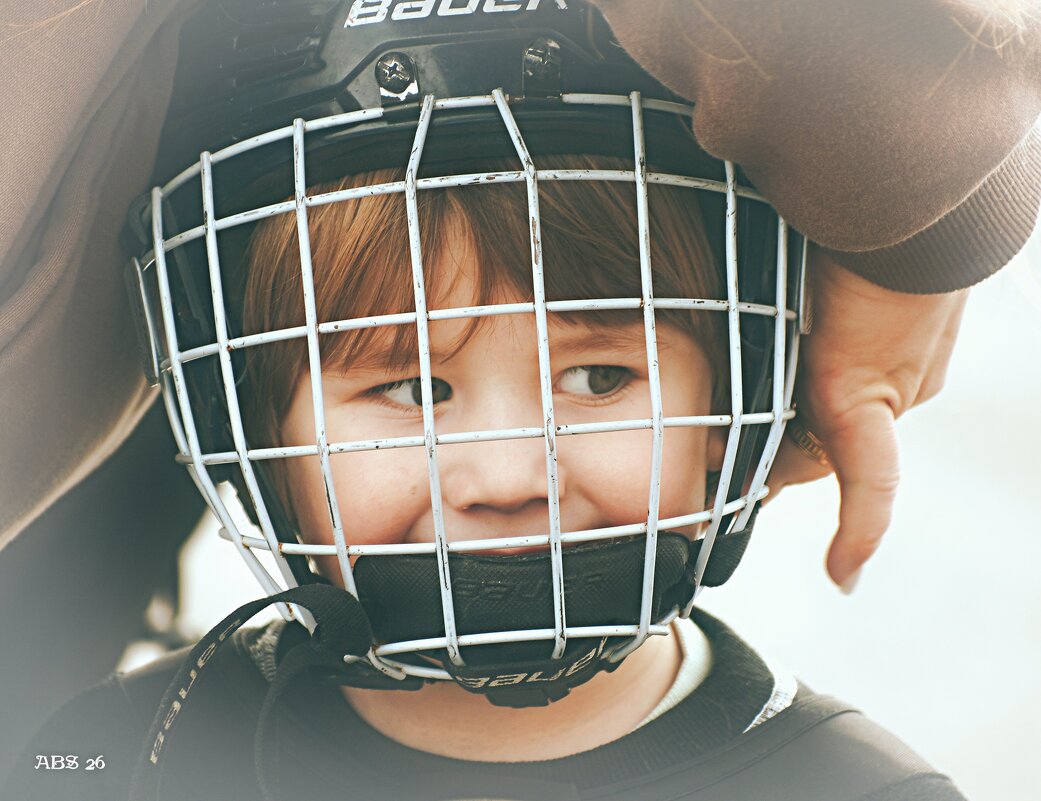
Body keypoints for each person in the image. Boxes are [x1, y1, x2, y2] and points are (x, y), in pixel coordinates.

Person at [4, 1, 1040, 800]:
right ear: (254, 426)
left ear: (742, 395)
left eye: (599, 377)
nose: (506, 476)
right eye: (412, 387)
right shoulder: (115, 760)